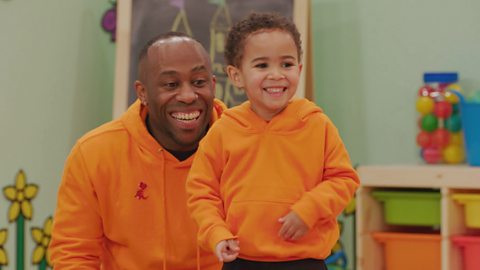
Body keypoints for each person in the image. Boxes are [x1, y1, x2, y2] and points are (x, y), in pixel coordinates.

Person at [186, 13, 360, 270]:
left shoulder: (316, 124)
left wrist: (309, 210)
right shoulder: (223, 131)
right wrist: (216, 232)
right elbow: (202, 192)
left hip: (305, 261)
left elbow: (343, 179)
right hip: (240, 261)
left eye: (287, 64)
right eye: (262, 65)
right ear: (236, 76)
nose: (276, 75)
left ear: (299, 69)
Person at [49, 32, 225, 270]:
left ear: (213, 85)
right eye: (171, 84)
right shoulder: (94, 153)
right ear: (142, 93)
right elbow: (73, 256)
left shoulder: (245, 145)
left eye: (199, 82)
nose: (187, 96)